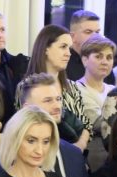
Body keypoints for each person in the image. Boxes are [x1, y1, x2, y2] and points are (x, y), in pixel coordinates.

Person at [16, 73, 92, 177]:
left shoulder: (73, 154)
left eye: (58, 99)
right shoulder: (12, 157)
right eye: (48, 100)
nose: (57, 106)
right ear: (27, 108)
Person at [27, 24, 92, 152]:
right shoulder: (27, 86)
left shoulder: (72, 86)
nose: (68, 54)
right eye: (63, 47)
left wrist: (79, 147)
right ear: (45, 49)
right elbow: (25, 124)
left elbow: (86, 125)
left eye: (69, 48)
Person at [76, 34, 116, 129]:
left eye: (109, 57)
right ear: (85, 60)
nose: (105, 62)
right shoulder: (76, 90)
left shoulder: (114, 90)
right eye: (98, 57)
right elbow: (99, 124)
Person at [66, 10, 115, 84]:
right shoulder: (63, 63)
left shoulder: (104, 62)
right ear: (73, 37)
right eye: (88, 32)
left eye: (97, 32)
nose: (95, 37)